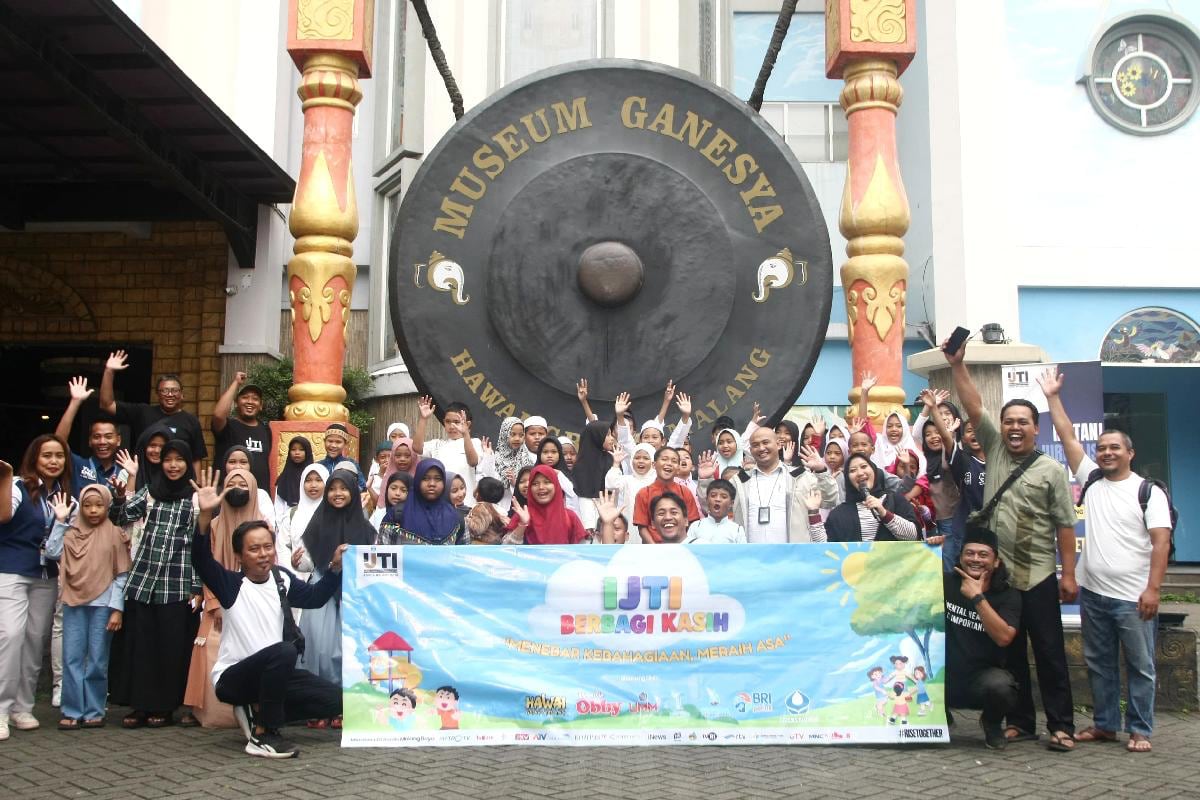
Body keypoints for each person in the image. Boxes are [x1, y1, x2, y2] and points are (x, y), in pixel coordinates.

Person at [945, 337, 1078, 751]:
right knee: (1011, 653)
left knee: (1051, 651)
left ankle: (1061, 725)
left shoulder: (1052, 470)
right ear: (1001, 428)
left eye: (1023, 422)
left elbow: (1065, 526)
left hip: (1036, 572)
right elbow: (971, 405)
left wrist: (1068, 573)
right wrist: (958, 365)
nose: (1015, 428)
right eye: (1009, 422)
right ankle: (1021, 721)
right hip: (998, 577)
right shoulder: (997, 450)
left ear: (1036, 429)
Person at [1039, 368, 1169, 754]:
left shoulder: (1148, 492)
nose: (1107, 452)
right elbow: (1066, 435)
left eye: (1116, 448)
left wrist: (1153, 590)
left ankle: (1141, 729)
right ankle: (1106, 724)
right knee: (1099, 663)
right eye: (1103, 447)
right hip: (1094, 593)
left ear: (1130, 453)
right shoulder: (1092, 480)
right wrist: (1052, 398)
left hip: (1134, 597)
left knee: (1140, 666)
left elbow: (1160, 545)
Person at [190, 469, 347, 759]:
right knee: (284, 652)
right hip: (234, 678)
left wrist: (336, 568)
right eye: (254, 549)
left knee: (335, 700)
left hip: (275, 675)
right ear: (239, 556)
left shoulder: (281, 579)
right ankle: (264, 734)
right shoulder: (231, 585)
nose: (263, 554)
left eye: (267, 547)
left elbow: (315, 597)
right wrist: (204, 515)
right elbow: (200, 559)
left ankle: (258, 709)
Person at [110, 440, 201, 729]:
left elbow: (201, 545)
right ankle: (139, 705)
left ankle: (164, 706)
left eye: (179, 460)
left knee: (169, 648)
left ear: (188, 464)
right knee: (140, 646)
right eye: (168, 460)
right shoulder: (150, 493)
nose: (173, 465)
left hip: (175, 584)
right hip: (143, 580)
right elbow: (120, 518)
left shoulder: (195, 499)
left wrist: (196, 587)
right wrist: (120, 497)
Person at [0, 436, 71, 739]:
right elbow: (2, 516)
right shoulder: (17, 485)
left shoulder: (64, 494)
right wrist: (4, 478)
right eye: (47, 456)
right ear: (34, 458)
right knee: (10, 635)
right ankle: (0, 710)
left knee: (34, 640)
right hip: (12, 569)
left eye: (59, 456)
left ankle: (22, 707)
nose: (53, 461)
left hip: (46, 574)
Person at [44, 484, 130, 730]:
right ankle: (71, 710)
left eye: (99, 505)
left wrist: (117, 609)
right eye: (87, 505)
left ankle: (94, 709)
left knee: (97, 660)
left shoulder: (114, 533)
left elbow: (121, 574)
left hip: (103, 605)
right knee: (71, 658)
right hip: (73, 602)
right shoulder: (70, 532)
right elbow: (52, 552)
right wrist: (60, 522)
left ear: (107, 506)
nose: (93, 510)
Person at [182, 467, 263, 729]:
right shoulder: (214, 525)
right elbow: (206, 565)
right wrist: (215, 604)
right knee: (210, 646)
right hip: (217, 600)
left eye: (244, 482)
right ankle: (207, 712)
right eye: (232, 482)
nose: (238, 487)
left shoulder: (263, 525)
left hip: (254, 602)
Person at [297, 468, 374, 695]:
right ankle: (319, 701)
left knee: (349, 648)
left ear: (352, 491)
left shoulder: (366, 528)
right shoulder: (317, 523)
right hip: (322, 590)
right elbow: (308, 562)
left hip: (354, 593)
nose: (337, 493)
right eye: (332, 489)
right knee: (319, 647)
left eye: (343, 489)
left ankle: (345, 703)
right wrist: (297, 563)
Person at [943, 527, 1021, 750]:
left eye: (983, 554)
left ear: (996, 562)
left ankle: (992, 723)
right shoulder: (945, 583)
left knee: (1002, 686)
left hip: (980, 680)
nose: (975, 559)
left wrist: (978, 598)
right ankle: (939, 717)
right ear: (960, 558)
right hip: (943, 677)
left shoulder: (1008, 595)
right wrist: (927, 549)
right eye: (969, 553)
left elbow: (1004, 638)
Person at [98, 350, 206, 474]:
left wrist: (197, 489)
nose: (170, 394)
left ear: (182, 395)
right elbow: (107, 404)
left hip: (177, 484)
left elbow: (196, 459)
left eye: (174, 390)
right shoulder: (142, 412)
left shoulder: (191, 421)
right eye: (164, 391)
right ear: (157, 395)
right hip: (143, 480)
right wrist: (109, 371)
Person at [733, 427, 838, 543]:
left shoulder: (800, 477)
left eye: (765, 442)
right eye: (755, 445)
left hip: (792, 556)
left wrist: (821, 471)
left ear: (778, 444)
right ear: (751, 450)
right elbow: (712, 506)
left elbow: (830, 500)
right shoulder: (739, 481)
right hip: (750, 557)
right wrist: (708, 479)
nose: (761, 448)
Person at [811, 453, 920, 543]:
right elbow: (825, 550)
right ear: (848, 479)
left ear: (874, 470)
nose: (860, 473)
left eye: (864, 467)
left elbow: (914, 536)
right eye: (853, 470)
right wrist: (814, 514)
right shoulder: (839, 513)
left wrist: (884, 513)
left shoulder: (895, 500)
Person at [55, 376, 124, 489]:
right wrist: (75, 402)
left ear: (118, 440)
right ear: (90, 441)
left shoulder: (124, 472)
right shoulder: (78, 465)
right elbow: (58, 444)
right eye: (97, 436)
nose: (102, 441)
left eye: (108, 436)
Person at [413, 398, 481, 507]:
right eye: (448, 422)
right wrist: (423, 419)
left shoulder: (474, 443)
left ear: (467, 424)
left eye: (457, 422)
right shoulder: (437, 444)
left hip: (466, 504)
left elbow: (473, 461)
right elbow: (416, 448)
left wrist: (465, 434)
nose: (452, 426)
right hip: (440, 505)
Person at [386, 460, 470, 546]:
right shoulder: (397, 515)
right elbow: (383, 555)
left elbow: (464, 555)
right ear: (417, 480)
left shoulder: (457, 518)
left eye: (437, 479)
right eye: (425, 478)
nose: (432, 484)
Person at [211, 373, 270, 490]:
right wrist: (236, 383)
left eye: (255, 399)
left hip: (258, 495)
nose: (250, 402)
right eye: (245, 397)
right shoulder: (228, 426)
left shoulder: (266, 430)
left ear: (261, 405)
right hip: (228, 493)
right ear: (237, 402)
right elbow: (218, 415)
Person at [505, 465, 590, 545]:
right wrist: (522, 525)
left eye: (547, 482)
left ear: (556, 485)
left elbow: (582, 552)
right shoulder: (522, 516)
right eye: (535, 483)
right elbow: (505, 550)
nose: (541, 487)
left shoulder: (570, 517)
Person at [632, 448, 701, 543]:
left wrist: (683, 545)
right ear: (654, 465)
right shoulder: (643, 493)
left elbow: (692, 522)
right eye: (664, 459)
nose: (669, 463)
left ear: (678, 468)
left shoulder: (685, 491)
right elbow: (642, 527)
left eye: (674, 461)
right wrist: (655, 549)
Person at [276, 464, 327, 581]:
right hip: (297, 580)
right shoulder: (292, 514)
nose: (313, 485)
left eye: (319, 480)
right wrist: (291, 571)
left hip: (327, 581)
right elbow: (282, 546)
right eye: (308, 480)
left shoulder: (335, 514)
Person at [572, 420, 616, 530]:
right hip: (585, 522)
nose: (612, 439)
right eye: (607, 435)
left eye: (611, 435)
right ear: (597, 437)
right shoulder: (580, 466)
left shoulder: (612, 459)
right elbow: (581, 497)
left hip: (609, 516)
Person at [685, 480, 746, 544]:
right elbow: (688, 551)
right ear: (707, 500)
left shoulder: (737, 530)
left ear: (731, 503)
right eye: (713, 495)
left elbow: (742, 553)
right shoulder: (696, 526)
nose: (717, 499)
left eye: (723, 497)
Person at [536, 437, 581, 515]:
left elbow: (573, 495)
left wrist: (560, 476)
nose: (549, 455)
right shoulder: (534, 473)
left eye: (554, 452)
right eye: (545, 452)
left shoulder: (566, 475)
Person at [315, 424, 365, 491]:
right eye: (330, 441)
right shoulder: (317, 466)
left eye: (338, 442)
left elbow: (362, 486)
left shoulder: (351, 465)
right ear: (324, 441)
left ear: (345, 444)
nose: (333, 445)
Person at [273, 436, 313, 516]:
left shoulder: (313, 476)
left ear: (307, 452)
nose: (297, 452)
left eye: (301, 449)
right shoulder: (284, 478)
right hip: (286, 521)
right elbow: (278, 506)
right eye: (293, 449)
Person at [465, 477, 508, 545]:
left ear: (477, 494)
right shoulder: (501, 510)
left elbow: (477, 529)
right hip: (496, 545)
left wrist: (466, 520)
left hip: (481, 545)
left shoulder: (481, 508)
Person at [371, 472, 411, 536]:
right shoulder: (379, 514)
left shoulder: (414, 517)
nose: (397, 493)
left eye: (403, 490)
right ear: (387, 489)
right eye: (393, 488)